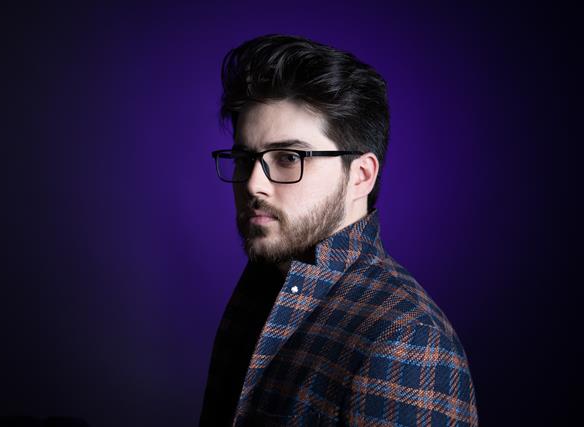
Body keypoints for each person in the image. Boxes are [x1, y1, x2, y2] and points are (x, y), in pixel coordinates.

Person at [199, 34, 478, 427]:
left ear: (360, 175)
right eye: (245, 159)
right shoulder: (262, 287)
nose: (253, 185)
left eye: (288, 157)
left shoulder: (405, 340)